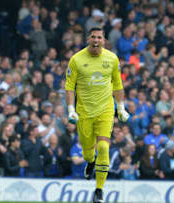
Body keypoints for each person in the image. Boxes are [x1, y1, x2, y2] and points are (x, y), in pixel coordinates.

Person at [65, 26, 129, 203]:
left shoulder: (112, 58)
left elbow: (117, 84)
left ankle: (99, 190)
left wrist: (121, 107)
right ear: (87, 39)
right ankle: (90, 162)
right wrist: (71, 110)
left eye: (99, 37)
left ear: (104, 40)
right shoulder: (76, 60)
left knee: (103, 147)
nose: (96, 40)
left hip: (105, 110)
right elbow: (70, 87)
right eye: (93, 37)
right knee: (88, 152)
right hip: (84, 112)